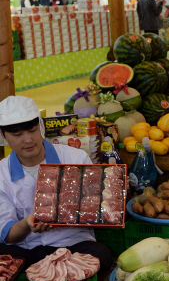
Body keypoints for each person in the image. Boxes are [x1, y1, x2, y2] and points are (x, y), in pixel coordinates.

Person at [0, 96, 112, 271]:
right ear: (3, 135)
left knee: (102, 254)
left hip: (72, 245)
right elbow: (7, 234)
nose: (28, 139)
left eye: (32, 130)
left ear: (41, 127)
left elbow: (96, 210)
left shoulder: (76, 158)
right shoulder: (1, 174)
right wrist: (28, 223)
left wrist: (108, 197)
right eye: (17, 135)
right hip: (26, 248)